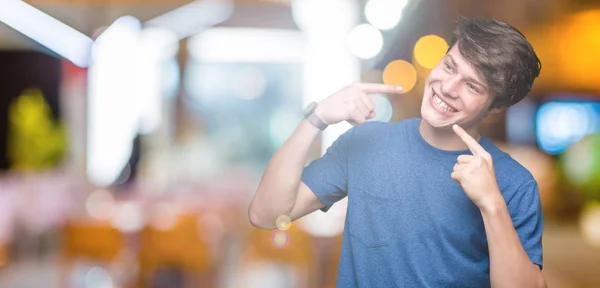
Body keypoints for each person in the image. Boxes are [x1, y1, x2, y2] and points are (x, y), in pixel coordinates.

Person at [249, 16, 546, 287]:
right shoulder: (366, 143)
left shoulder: (513, 183)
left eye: (472, 85)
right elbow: (266, 214)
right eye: (449, 66)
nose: (447, 87)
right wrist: (317, 118)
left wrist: (491, 205)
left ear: (495, 107)